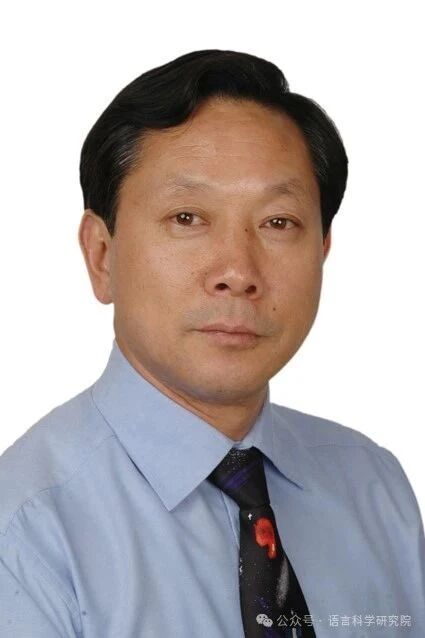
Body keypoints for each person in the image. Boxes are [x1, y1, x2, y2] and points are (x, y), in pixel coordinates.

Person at [0, 49, 423, 638]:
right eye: (187, 217)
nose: (238, 271)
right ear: (101, 255)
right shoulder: (26, 530)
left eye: (278, 222)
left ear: (323, 251)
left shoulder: (375, 488)